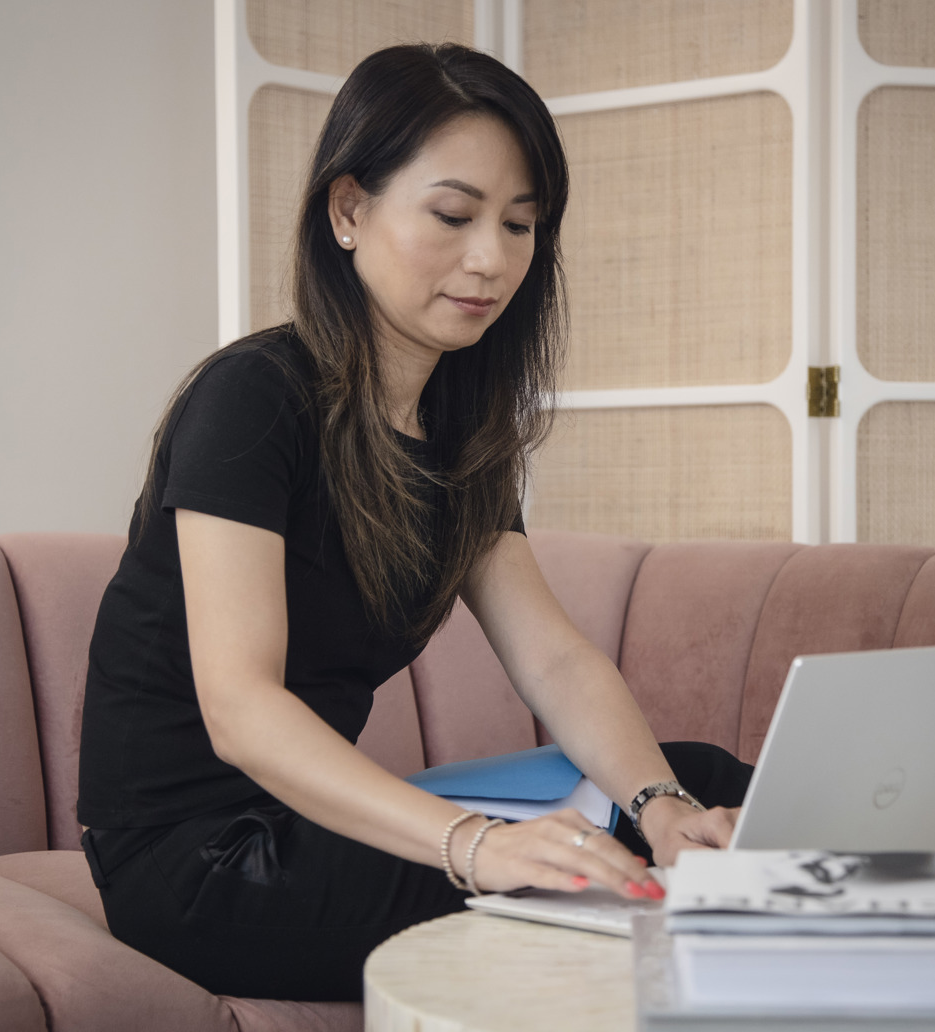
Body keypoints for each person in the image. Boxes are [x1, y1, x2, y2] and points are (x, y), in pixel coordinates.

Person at [76, 42, 752, 1002]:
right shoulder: (254, 399)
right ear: (348, 210)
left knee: (703, 781)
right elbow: (241, 711)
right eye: (453, 215)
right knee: (573, 878)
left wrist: (662, 805)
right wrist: (473, 845)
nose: (492, 259)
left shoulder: (460, 433)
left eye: (521, 225)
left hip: (317, 827)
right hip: (203, 863)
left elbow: (554, 660)